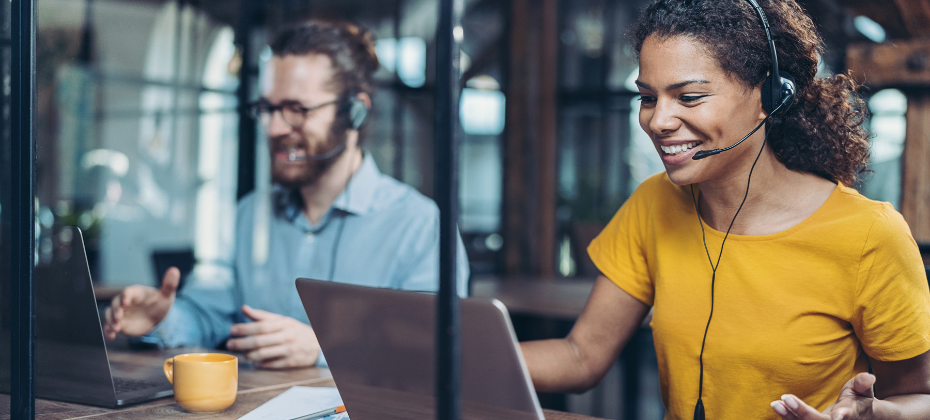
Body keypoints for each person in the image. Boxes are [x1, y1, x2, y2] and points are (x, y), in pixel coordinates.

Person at [520, 1, 930, 419]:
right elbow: (580, 356)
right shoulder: (654, 203)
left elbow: (921, 397)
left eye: (690, 97)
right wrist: (455, 351)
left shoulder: (869, 235)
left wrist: (878, 414)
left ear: (768, 95)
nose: (658, 121)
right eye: (647, 97)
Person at [103, 20, 469, 369]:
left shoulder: (419, 225)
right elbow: (212, 317)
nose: (276, 127)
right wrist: (163, 319)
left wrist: (323, 349)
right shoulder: (249, 215)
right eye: (268, 109)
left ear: (355, 112)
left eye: (297, 110)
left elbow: (435, 354)